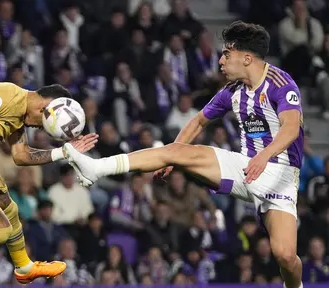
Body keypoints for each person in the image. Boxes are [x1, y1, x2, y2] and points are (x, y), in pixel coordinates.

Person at [63, 21, 304, 288]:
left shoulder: (281, 83)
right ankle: (97, 168)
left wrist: (265, 155)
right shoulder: (231, 91)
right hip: (246, 168)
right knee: (177, 150)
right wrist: (173, 155)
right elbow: (199, 121)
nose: (220, 61)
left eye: (226, 54)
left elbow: (291, 127)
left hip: (280, 175)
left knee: (285, 256)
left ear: (247, 58)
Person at [0, 82, 99, 284]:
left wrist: (64, 152)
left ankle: (24, 267)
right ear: (44, 107)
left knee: (8, 207)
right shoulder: (6, 96)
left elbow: (21, 156)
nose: (39, 127)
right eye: (43, 123)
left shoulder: (19, 116)